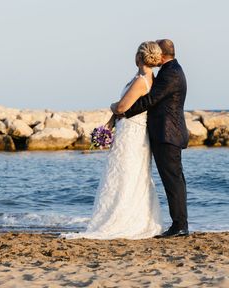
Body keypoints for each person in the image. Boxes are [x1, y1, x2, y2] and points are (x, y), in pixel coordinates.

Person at [63, 41, 164, 239]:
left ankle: (122, 219)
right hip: (129, 130)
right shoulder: (147, 79)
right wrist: (109, 125)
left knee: (125, 174)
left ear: (138, 57)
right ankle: (133, 217)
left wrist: (112, 106)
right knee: (131, 175)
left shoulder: (141, 80)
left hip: (131, 134)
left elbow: (122, 108)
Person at [113, 38, 189, 237]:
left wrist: (123, 111)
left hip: (168, 134)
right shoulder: (170, 70)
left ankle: (180, 226)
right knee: (173, 180)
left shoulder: (171, 73)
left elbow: (151, 99)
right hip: (165, 133)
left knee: (173, 181)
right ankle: (179, 224)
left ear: (162, 54)